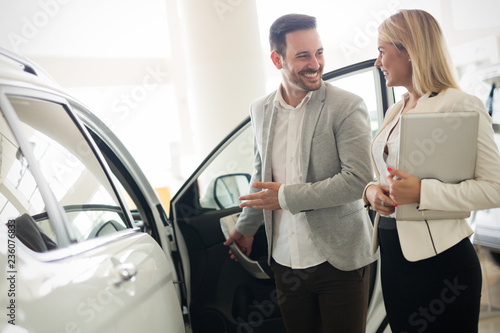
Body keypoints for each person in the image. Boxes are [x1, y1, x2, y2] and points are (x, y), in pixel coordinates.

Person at [223, 13, 378, 333]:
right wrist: (246, 225)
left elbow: (357, 179)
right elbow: (260, 171)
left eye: (319, 52)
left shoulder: (346, 105)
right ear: (276, 58)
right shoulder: (260, 109)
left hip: (339, 261)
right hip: (284, 262)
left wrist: (285, 197)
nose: (315, 63)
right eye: (303, 55)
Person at [364, 9, 500, 332]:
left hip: (441, 266)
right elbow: (383, 176)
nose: (377, 61)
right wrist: (370, 192)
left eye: (382, 51)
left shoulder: (459, 104)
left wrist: (423, 192)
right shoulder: (396, 108)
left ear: (408, 51)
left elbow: (494, 188)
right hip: (394, 258)